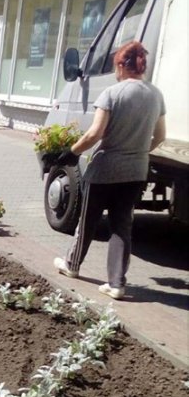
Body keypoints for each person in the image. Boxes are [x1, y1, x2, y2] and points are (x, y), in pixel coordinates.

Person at [53, 40, 166, 299]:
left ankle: (72, 265)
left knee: (88, 220)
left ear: (120, 65)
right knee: (122, 226)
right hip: (136, 171)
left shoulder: (112, 94)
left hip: (105, 170)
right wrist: (138, 151)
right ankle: (117, 283)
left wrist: (71, 152)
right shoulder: (155, 94)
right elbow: (160, 136)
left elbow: (94, 134)